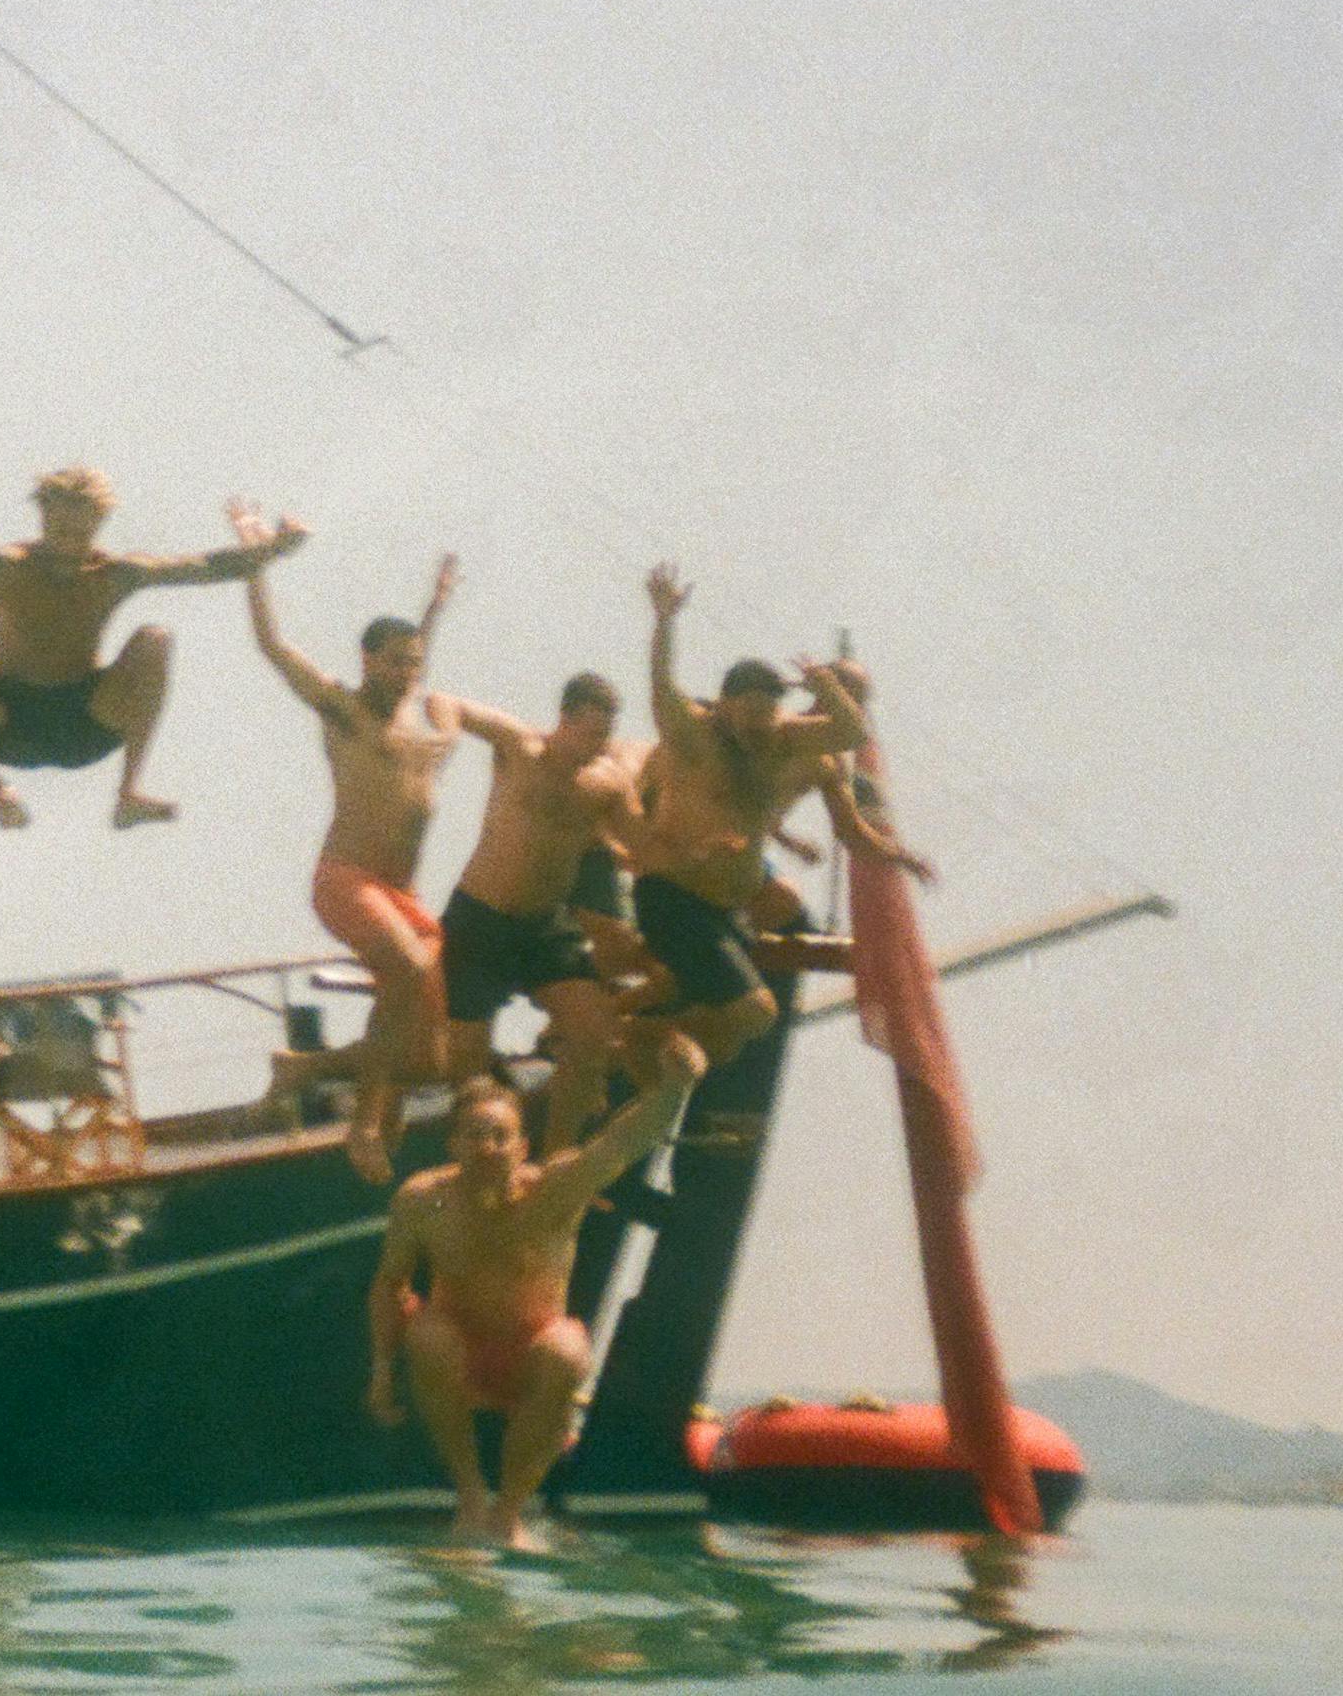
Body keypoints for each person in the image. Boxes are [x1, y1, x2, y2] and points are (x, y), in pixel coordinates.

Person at [370, 1036, 706, 1548]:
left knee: (567, 1349)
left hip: (532, 1359)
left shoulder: (554, 1190)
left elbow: (623, 1141)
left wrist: (677, 1086)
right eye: (475, 1136)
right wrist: (380, 1373)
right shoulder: (423, 1201)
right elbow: (390, 1286)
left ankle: (508, 1514)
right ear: (453, 1145)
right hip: (458, 1355)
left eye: (500, 1136)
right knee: (429, 1335)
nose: (488, 1148)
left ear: (522, 1146)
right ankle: (470, 1500)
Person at [0, 468, 305, 828]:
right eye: (57, 520)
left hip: (86, 720)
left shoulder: (116, 573)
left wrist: (275, 548)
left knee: (155, 641)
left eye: (78, 523)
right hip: (8, 720)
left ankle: (129, 793)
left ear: (99, 522)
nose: (66, 534)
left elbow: (207, 566)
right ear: (42, 515)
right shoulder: (2, 565)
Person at [234, 507, 465, 1181]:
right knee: (409, 971)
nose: (404, 674)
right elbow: (274, 648)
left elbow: (415, 653)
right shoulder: (347, 712)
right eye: (393, 663)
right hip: (346, 879)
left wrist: (434, 608)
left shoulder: (416, 728)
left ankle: (304, 1069)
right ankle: (365, 1127)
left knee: (431, 1057)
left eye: (413, 665)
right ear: (367, 661)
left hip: (402, 892)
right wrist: (255, 567)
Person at [621, 568, 931, 1069]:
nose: (755, 735)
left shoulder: (802, 747)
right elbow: (662, 689)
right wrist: (663, 622)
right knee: (756, 1011)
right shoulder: (702, 735)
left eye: (763, 724)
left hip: (729, 905)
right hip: (675, 892)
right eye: (745, 722)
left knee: (722, 1044)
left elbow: (850, 801)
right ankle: (634, 1031)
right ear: (725, 709)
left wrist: (900, 857)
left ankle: (640, 1032)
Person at [437, 673, 645, 1149]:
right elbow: (447, 701)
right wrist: (444, 737)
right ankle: (473, 1162)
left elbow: (646, 849)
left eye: (607, 734)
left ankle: (557, 1156)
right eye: (592, 732)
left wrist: (696, 857)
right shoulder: (518, 747)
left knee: (595, 1038)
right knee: (467, 1068)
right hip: (481, 920)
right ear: (565, 720)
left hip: (543, 925)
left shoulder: (606, 781)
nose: (600, 745)